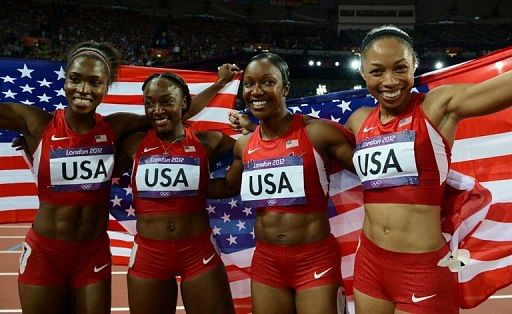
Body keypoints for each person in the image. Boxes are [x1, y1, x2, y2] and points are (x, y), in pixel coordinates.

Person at [0, 40, 239, 313]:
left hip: (92, 254)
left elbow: (172, 112)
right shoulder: (36, 122)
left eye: (94, 82)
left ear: (105, 86)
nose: (83, 90)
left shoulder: (117, 127)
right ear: (65, 80)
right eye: (76, 80)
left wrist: (219, 85)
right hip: (46, 252)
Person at [343, 25, 512, 314]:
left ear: (414, 66)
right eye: (377, 71)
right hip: (370, 262)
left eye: (400, 68)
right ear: (362, 74)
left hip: (421, 267)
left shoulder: (437, 106)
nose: (390, 81)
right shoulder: (358, 121)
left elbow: (500, 89)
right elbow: (310, 144)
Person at [209, 52, 355, 314]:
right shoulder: (244, 145)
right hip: (267, 263)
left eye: (267, 82)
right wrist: (181, 189)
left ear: (285, 87)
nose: (256, 91)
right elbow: (228, 187)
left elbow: (370, 172)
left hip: (315, 259)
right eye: (249, 83)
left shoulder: (317, 133)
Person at [116, 72, 236, 314]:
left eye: (166, 101)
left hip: (197, 251)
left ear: (184, 104)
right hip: (149, 255)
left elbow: (256, 150)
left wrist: (251, 126)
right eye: (149, 103)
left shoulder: (209, 142)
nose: (156, 109)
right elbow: (87, 149)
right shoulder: (133, 143)